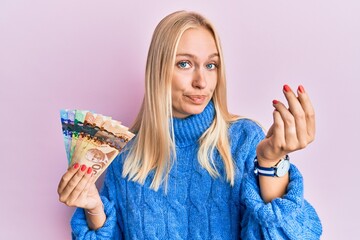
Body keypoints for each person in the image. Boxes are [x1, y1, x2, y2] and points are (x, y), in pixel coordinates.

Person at [57, 10, 322, 239]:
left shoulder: (244, 140)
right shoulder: (125, 156)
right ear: (158, 70)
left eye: (211, 65)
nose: (202, 82)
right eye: (184, 64)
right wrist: (94, 207)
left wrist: (271, 163)